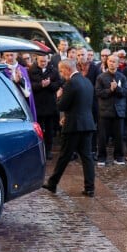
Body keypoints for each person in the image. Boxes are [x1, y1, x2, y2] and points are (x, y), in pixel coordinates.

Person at [42, 59, 97, 196]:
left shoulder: (71, 83)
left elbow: (61, 106)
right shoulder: (87, 81)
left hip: (73, 126)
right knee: (87, 157)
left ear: (67, 69)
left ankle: (52, 184)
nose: (61, 74)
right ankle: (90, 188)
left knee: (64, 156)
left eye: (61, 71)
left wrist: (58, 96)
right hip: (87, 124)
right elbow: (83, 104)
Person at [95, 54, 127, 166]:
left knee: (119, 136)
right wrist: (110, 90)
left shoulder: (122, 77)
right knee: (103, 137)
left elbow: (126, 92)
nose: (112, 63)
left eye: (114, 61)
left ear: (118, 63)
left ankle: (118, 157)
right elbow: (98, 93)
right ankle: (101, 157)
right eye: (110, 61)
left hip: (119, 111)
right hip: (105, 111)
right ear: (107, 62)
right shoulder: (101, 77)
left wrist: (117, 89)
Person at [29, 55, 63, 160]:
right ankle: (38, 149)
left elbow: (58, 83)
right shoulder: (32, 70)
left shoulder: (53, 70)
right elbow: (29, 85)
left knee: (49, 130)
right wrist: (41, 85)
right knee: (38, 129)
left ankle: (48, 150)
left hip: (50, 105)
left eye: (45, 61)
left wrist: (49, 85)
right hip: (37, 105)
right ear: (37, 60)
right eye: (41, 61)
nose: (43, 63)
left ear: (48, 60)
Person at [2, 52, 37, 121]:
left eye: (11, 55)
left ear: (16, 55)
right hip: (7, 104)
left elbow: (28, 93)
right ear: (4, 56)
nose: (9, 57)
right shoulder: (1, 69)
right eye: (7, 55)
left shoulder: (22, 69)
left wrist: (20, 81)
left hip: (21, 104)